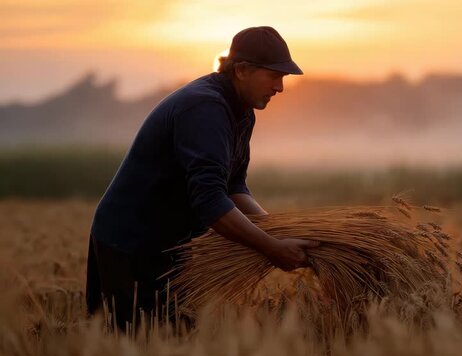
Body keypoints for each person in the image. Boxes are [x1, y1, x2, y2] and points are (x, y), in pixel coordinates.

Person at [85, 26, 319, 330]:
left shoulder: (242, 112)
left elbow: (233, 185)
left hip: (170, 245)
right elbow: (209, 202)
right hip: (130, 244)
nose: (280, 88)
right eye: (274, 76)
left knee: (174, 337)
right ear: (243, 70)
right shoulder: (204, 107)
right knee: (133, 341)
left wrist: (275, 229)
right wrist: (272, 248)